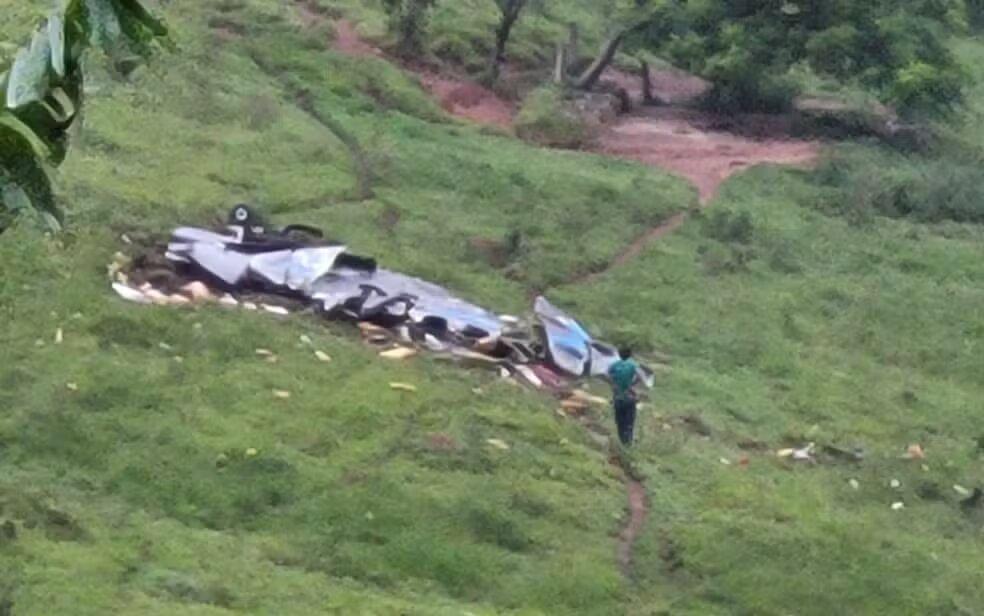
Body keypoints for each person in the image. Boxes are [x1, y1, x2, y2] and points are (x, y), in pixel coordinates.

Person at [608, 347, 639, 446]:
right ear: (630, 355)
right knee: (629, 423)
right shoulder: (633, 365)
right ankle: (628, 444)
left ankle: (622, 442)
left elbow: (607, 375)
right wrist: (632, 385)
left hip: (618, 398)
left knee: (620, 423)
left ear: (619, 354)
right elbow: (640, 377)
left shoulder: (614, 365)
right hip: (630, 397)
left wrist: (614, 385)